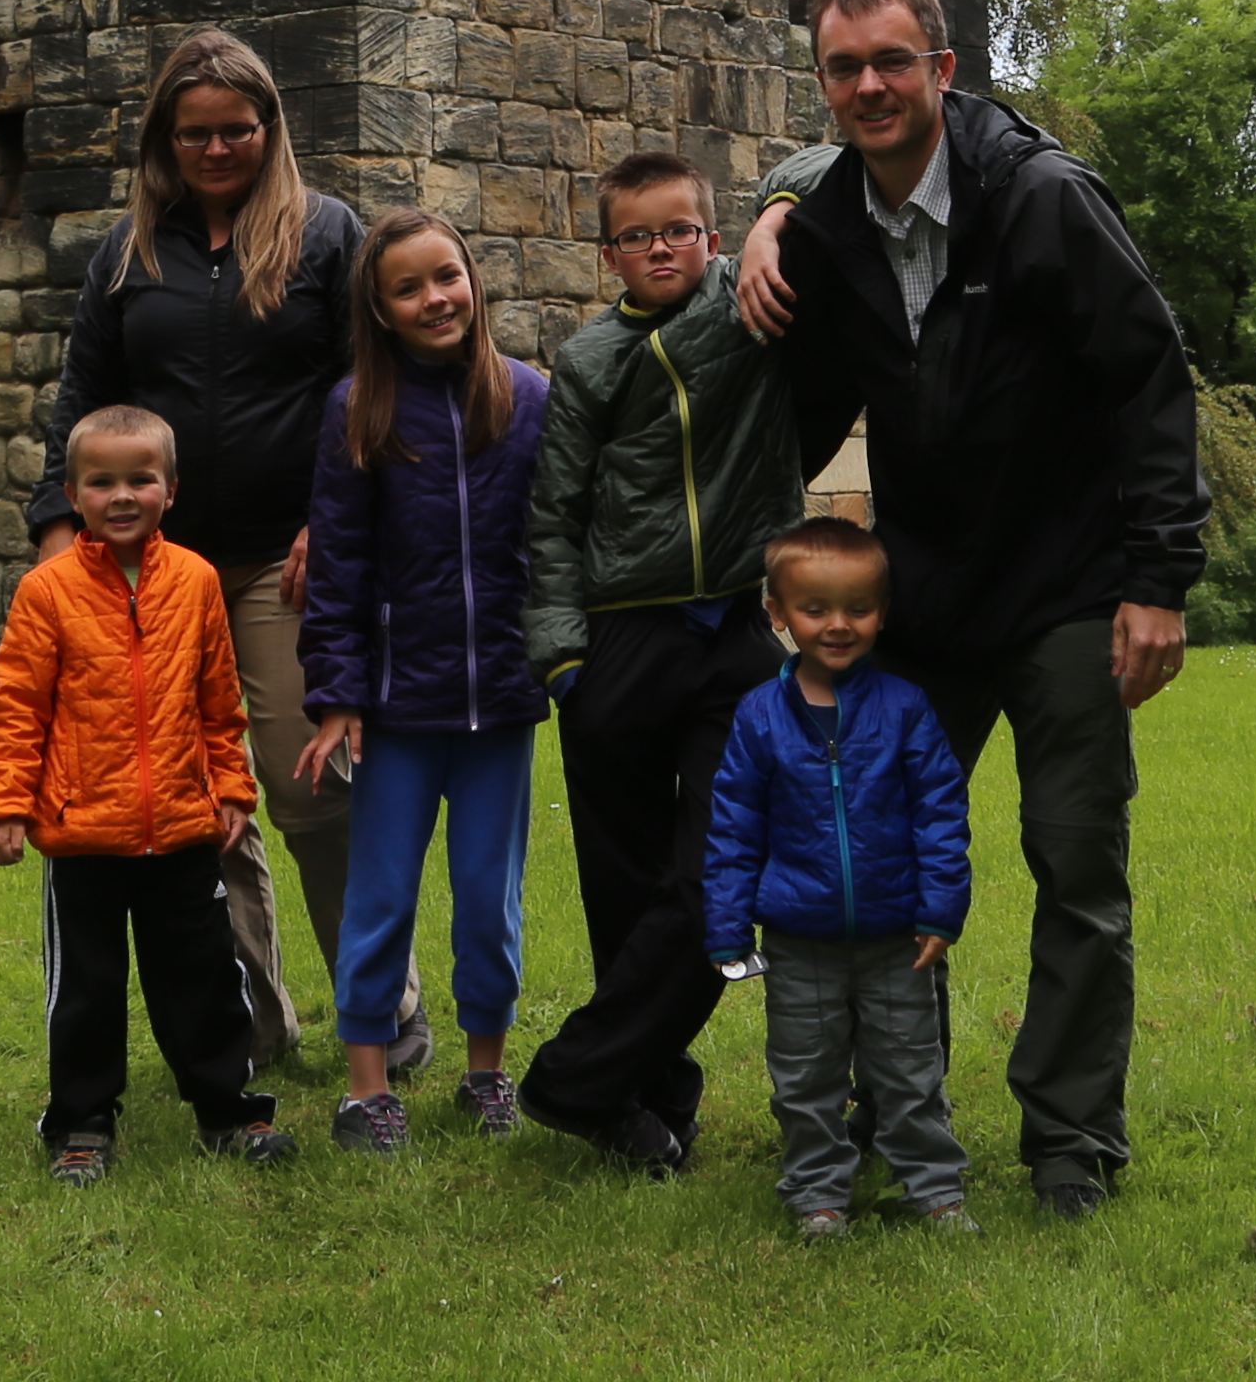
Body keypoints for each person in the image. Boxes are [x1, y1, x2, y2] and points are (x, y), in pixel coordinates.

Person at [730, 0, 1206, 1219]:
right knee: (877, 869)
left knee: (1073, 866)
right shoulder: (829, 227)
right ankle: (898, 1117)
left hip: (1065, 591)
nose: (870, 86)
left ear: (943, 69)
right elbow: (792, 406)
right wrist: (770, 217)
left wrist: (1157, 581)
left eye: (893, 62)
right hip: (923, 604)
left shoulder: (1040, 200)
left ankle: (1070, 1146)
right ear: (822, 84)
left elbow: (1149, 385)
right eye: (844, 68)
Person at [22, 25, 384, 1065]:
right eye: (196, 135)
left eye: (237, 130)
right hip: (155, 572)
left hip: (286, 557)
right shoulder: (128, 256)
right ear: (164, 141)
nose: (218, 151)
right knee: (189, 803)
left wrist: (338, 517)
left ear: (270, 129)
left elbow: (365, 390)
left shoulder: (325, 235)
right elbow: (82, 399)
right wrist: (59, 535)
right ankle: (252, 1025)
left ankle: (382, 1013)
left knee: (311, 789)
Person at [509, 149, 802, 1176]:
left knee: (723, 880)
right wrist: (562, 659)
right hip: (618, 641)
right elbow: (554, 517)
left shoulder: (752, 309)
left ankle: (568, 1081)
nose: (661, 247)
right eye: (637, 236)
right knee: (624, 893)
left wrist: (775, 218)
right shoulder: (588, 359)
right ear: (609, 256)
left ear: (713, 237)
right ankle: (646, 1104)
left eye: (680, 228)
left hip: (733, 632)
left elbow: (820, 162)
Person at [0, 406, 294, 1177]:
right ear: (73, 494)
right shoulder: (47, 592)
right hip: (83, 831)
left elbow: (219, 702)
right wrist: (5, 805)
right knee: (86, 988)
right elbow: (17, 705)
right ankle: (82, 1123)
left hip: (184, 829)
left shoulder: (195, 581)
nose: (123, 496)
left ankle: (228, 1110)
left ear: (170, 489)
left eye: (140, 479)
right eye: (102, 481)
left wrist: (230, 789)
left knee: (205, 979)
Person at [293, 209, 552, 1153]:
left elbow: (553, 548)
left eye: (447, 276)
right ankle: (369, 1088)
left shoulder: (528, 398)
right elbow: (340, 570)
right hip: (396, 713)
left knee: (491, 900)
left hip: (501, 707)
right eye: (409, 288)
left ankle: (486, 1076)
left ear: (473, 280)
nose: (435, 297)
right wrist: (338, 699)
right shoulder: (356, 409)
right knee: (380, 898)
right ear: (382, 309)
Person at [702, 516, 975, 1237]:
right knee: (806, 1079)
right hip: (799, 939)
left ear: (883, 613)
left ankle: (935, 1190)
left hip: (897, 937)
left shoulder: (907, 708)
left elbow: (941, 814)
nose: (838, 625)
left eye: (857, 608)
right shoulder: (760, 717)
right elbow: (733, 827)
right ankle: (818, 1194)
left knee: (911, 1073)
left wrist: (942, 908)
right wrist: (728, 925)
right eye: (815, 609)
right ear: (778, 614)